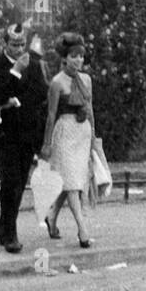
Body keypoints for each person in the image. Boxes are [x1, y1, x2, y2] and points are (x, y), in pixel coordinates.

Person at [0, 23, 49, 253]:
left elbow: (41, 94)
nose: (19, 49)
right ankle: (11, 235)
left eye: (22, 44)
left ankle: (4, 230)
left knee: (18, 183)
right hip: (5, 134)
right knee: (9, 182)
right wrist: (16, 71)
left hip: (27, 132)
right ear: (5, 44)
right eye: (14, 44)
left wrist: (19, 101)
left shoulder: (35, 64)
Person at [40, 32, 96, 248]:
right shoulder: (56, 83)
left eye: (81, 57)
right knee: (73, 183)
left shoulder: (87, 80)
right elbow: (51, 115)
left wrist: (94, 138)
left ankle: (52, 217)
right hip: (64, 132)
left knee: (71, 180)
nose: (78, 61)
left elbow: (91, 110)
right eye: (74, 57)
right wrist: (46, 143)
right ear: (65, 58)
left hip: (82, 134)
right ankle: (82, 229)